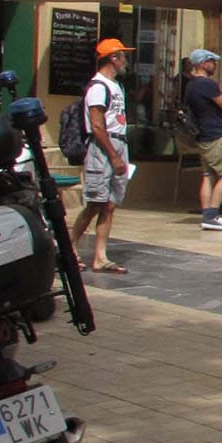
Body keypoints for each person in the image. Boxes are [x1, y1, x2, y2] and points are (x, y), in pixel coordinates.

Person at [77, 40, 133, 275]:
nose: (126, 61)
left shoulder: (116, 86)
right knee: (95, 203)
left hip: (119, 142)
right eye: (123, 56)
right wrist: (113, 156)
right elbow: (97, 125)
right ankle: (67, 246)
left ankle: (101, 256)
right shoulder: (98, 87)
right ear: (113, 58)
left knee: (109, 205)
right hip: (104, 147)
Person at [183, 48, 222, 231]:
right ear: (203, 63)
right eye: (211, 61)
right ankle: (211, 215)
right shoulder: (205, 84)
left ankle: (206, 213)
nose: (214, 64)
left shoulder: (193, 85)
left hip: (203, 136)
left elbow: (216, 97)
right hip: (215, 135)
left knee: (208, 175)